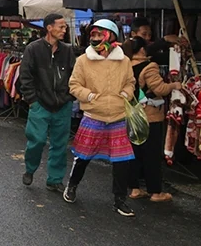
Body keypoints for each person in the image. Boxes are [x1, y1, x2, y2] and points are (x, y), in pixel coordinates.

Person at [64, 19, 137, 217]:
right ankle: (72, 185)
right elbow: (74, 85)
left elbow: (131, 82)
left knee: (122, 161)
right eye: (93, 35)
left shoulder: (125, 61)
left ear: (112, 35)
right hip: (93, 114)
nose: (96, 38)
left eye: (100, 34)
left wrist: (125, 94)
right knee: (83, 157)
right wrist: (89, 96)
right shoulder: (83, 60)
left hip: (118, 115)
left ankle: (119, 200)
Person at [19, 13, 76, 193]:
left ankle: (54, 179)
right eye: (61, 26)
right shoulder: (33, 49)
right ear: (49, 28)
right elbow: (25, 77)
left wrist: (69, 97)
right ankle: (30, 169)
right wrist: (33, 101)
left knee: (60, 144)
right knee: (37, 140)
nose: (64, 30)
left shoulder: (67, 50)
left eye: (65, 27)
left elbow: (74, 75)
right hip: (40, 104)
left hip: (63, 105)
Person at [123, 36, 182, 202]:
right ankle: (155, 192)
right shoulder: (149, 67)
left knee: (134, 153)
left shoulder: (125, 65)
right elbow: (159, 89)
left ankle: (134, 188)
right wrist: (174, 86)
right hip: (150, 116)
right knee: (152, 155)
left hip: (132, 114)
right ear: (142, 50)